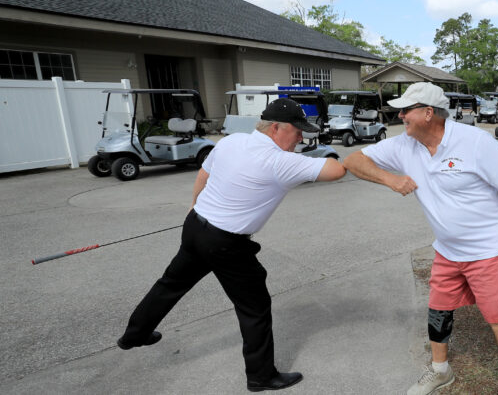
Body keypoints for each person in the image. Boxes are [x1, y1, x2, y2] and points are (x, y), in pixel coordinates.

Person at [117, 98, 346, 392]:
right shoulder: (279, 161)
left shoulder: (232, 141)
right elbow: (337, 170)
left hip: (196, 227)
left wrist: (195, 208)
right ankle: (261, 376)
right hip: (226, 244)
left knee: (170, 283)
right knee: (254, 306)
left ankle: (134, 335)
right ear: (276, 128)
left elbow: (204, 175)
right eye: (297, 130)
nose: (301, 137)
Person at [343, 82, 498, 395]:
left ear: (429, 113)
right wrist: (391, 179)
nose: (400, 114)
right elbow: (353, 161)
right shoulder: (405, 145)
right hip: (447, 251)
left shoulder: (474, 143)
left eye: (406, 110)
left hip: (488, 251)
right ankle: (440, 371)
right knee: (438, 309)